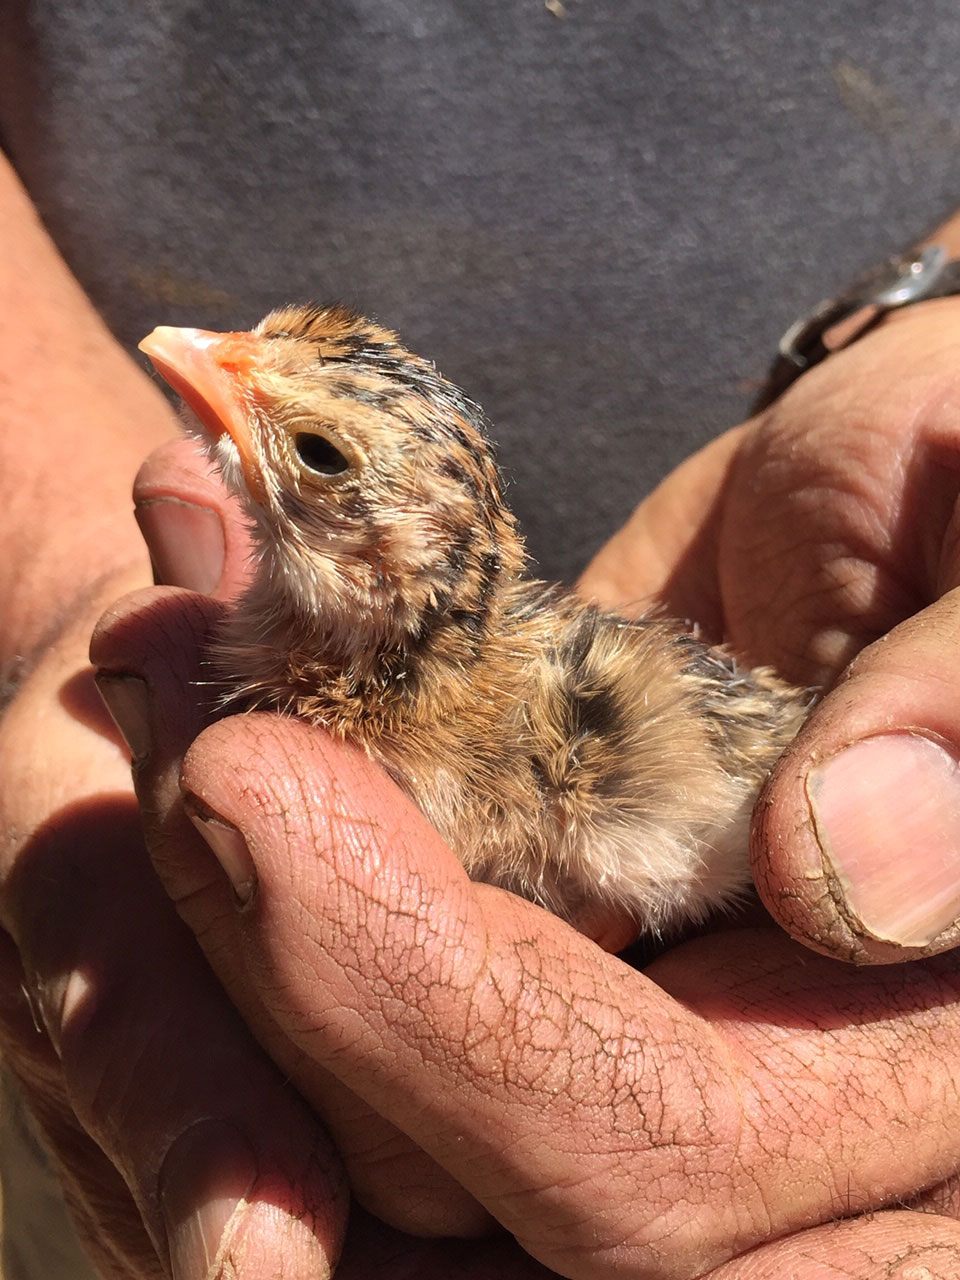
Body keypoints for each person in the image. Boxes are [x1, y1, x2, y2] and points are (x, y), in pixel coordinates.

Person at [3, 4, 960, 1277]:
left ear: (383, 563)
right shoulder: (350, 680)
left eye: (319, 451)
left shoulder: (423, 716)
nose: (198, 358)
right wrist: (48, 566)